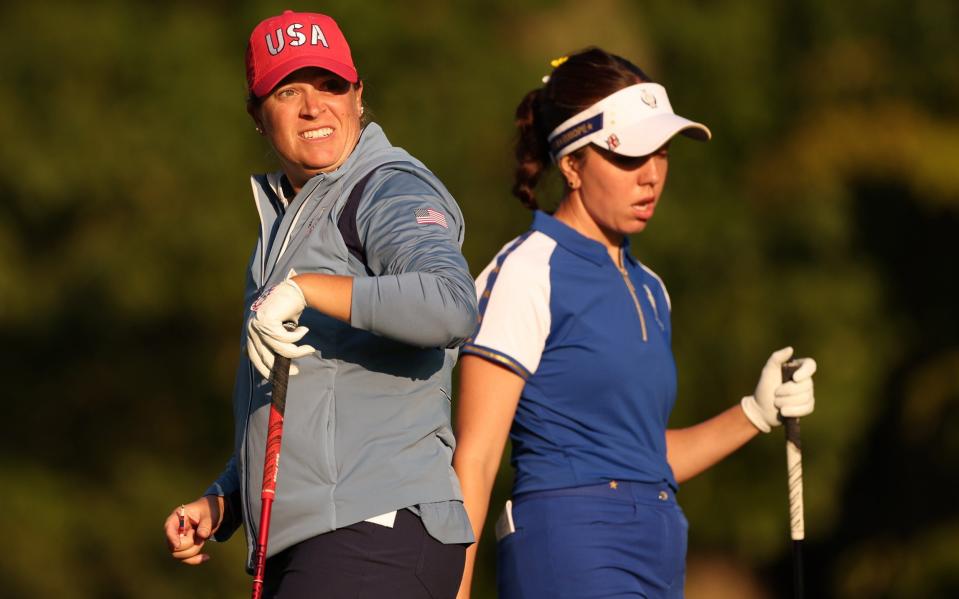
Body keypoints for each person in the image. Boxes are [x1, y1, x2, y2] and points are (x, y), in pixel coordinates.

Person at [452, 48, 817, 599]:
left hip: (659, 546)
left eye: (662, 154)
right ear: (571, 164)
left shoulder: (651, 287)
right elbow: (476, 459)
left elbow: (644, 457)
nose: (650, 177)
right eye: (629, 156)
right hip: (569, 546)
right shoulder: (529, 270)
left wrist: (754, 413)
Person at [162, 11, 476, 599]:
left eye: (331, 85)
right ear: (258, 116)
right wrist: (225, 502)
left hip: (376, 529)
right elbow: (307, 401)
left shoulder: (387, 186)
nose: (314, 107)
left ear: (359, 97)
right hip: (318, 541)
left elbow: (452, 303)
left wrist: (309, 288)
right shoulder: (285, 222)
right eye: (289, 91)